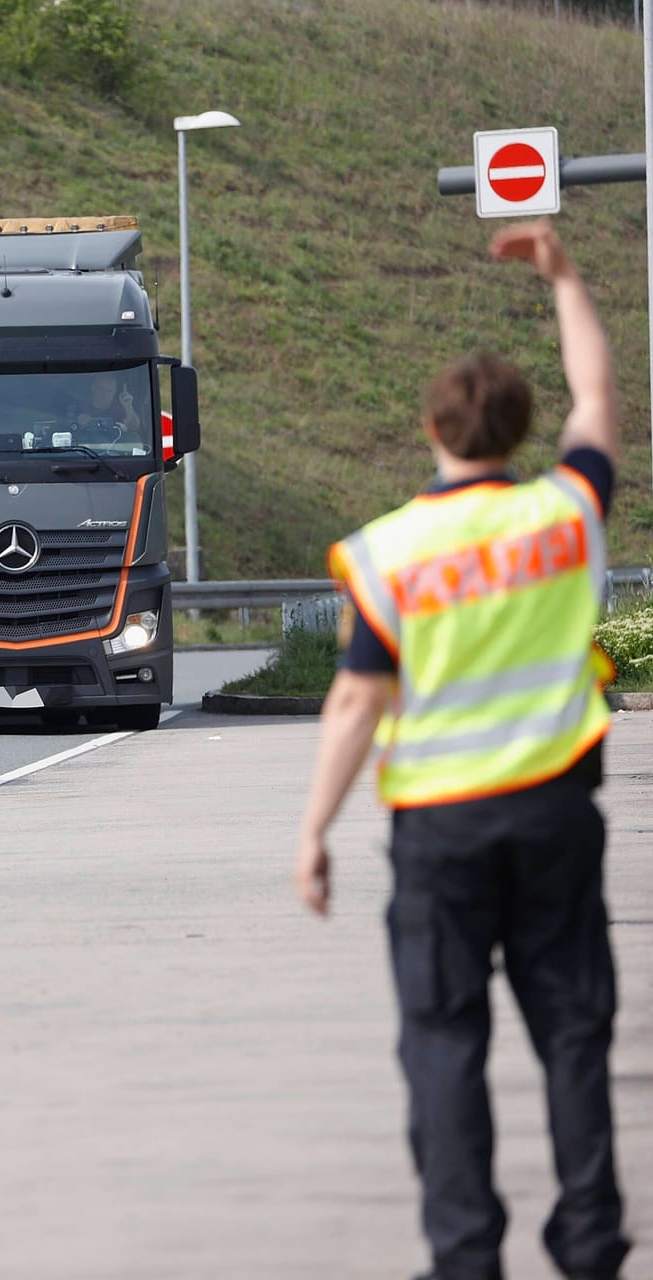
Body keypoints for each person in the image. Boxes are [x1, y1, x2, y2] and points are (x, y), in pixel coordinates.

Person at [294, 220, 628, 1280]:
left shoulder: (395, 550)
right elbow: (602, 402)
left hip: (439, 831)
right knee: (573, 1033)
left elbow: (355, 701)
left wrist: (313, 829)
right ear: (523, 430)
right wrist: (565, 278)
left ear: (432, 426)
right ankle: (588, 1242)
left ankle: (464, 1255)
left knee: (444, 1043)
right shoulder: (565, 513)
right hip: (555, 813)